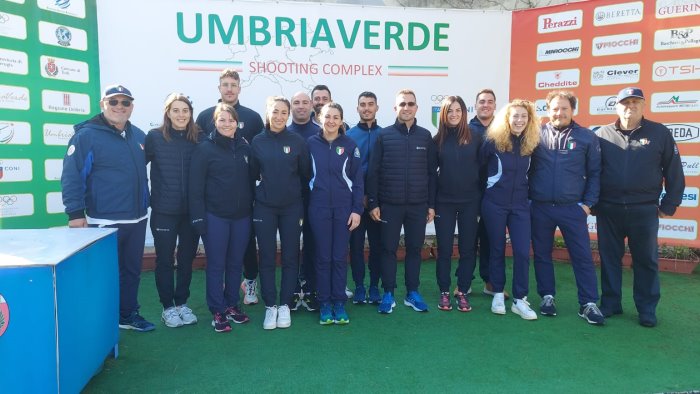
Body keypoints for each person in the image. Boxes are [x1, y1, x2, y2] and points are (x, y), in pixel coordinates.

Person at [61, 84, 154, 332]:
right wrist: (75, 214)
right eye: (114, 102)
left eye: (125, 103)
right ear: (103, 105)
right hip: (103, 220)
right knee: (103, 274)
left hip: (137, 219)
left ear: (131, 108)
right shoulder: (86, 136)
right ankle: (99, 323)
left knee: (132, 271)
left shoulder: (139, 136)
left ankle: (127, 315)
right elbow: (72, 176)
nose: (119, 107)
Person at [594, 87, 684, 328]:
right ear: (616, 106)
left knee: (646, 260)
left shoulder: (659, 133)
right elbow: (592, 172)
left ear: (643, 106)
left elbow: (674, 170)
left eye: (635, 102)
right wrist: (593, 203)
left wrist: (670, 204)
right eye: (625, 102)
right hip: (608, 209)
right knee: (609, 258)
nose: (630, 107)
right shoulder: (602, 134)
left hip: (643, 210)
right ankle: (611, 303)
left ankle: (646, 309)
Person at [529, 90, 605, 325]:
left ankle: (588, 302)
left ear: (573, 110)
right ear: (548, 110)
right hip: (540, 207)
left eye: (564, 108)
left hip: (573, 208)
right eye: (554, 108)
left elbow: (595, 173)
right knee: (541, 254)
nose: (559, 113)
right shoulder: (536, 134)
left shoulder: (586, 137)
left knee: (581, 256)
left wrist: (587, 205)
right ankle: (547, 297)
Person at [195, 68, 264, 306]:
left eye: (233, 85)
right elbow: (199, 170)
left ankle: (243, 290)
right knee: (218, 260)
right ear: (219, 88)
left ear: (239, 88)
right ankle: (219, 305)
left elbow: (258, 161)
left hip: (244, 207)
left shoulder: (253, 120)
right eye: (225, 85)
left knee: (241, 253)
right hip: (216, 209)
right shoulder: (204, 119)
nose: (229, 89)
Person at [367, 89, 438, 314]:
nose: (406, 108)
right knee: (388, 249)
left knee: (414, 249)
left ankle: (412, 292)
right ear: (395, 108)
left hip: (418, 205)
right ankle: (388, 292)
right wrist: (373, 203)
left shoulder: (425, 136)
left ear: (416, 108)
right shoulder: (384, 136)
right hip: (389, 204)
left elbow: (431, 174)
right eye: (402, 104)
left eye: (410, 104)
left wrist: (431, 205)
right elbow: (373, 172)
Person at [189, 103, 253, 333]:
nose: (227, 124)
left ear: (237, 122)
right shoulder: (204, 149)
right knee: (217, 265)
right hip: (215, 216)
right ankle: (217, 309)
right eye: (222, 120)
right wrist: (198, 218)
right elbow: (195, 187)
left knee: (235, 263)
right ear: (214, 123)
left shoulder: (245, 147)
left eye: (231, 120)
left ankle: (231, 304)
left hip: (242, 217)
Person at [250, 96, 311, 330]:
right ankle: (270, 306)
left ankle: (285, 304)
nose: (279, 116)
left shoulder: (297, 141)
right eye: (275, 112)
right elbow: (253, 173)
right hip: (264, 207)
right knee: (266, 256)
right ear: (268, 113)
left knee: (290, 257)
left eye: (283, 112)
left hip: (292, 207)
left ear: (288, 115)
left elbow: (305, 173)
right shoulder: (257, 141)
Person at [145, 93, 204, 328]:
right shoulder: (154, 137)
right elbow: (137, 168)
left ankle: (182, 303)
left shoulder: (199, 138)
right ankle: (167, 307)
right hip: (164, 210)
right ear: (167, 113)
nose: (181, 115)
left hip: (191, 212)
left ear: (191, 114)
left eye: (185, 110)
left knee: (187, 258)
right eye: (176, 110)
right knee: (165, 260)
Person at [479, 99, 539, 320]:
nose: (519, 120)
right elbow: (481, 170)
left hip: (521, 206)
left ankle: (520, 299)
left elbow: (533, 175)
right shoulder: (492, 141)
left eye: (524, 116)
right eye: (515, 115)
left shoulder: (531, 143)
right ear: (507, 118)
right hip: (494, 203)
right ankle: (497, 292)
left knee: (522, 252)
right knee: (496, 249)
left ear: (529, 119)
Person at [307, 102, 363, 324]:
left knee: (339, 257)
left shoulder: (350, 145)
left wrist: (357, 210)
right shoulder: (310, 144)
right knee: (322, 258)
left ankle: (339, 302)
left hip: (343, 209)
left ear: (341, 121)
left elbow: (358, 181)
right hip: (318, 208)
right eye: (327, 116)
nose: (331, 121)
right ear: (320, 118)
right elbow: (303, 178)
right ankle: (324, 304)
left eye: (336, 117)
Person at [433, 96, 482, 312]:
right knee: (444, 249)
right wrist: (431, 204)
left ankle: (462, 290)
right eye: (449, 111)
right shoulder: (437, 141)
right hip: (444, 202)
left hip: (470, 202)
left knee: (467, 249)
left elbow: (484, 172)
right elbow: (430, 176)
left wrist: (480, 203)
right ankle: (444, 291)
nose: (454, 114)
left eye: (457, 110)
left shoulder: (477, 137)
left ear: (464, 113)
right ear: (443, 114)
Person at [346, 91, 383, 304]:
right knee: (356, 247)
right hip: (356, 203)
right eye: (362, 104)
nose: (366, 108)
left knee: (377, 246)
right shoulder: (349, 136)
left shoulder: (385, 135)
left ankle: (375, 287)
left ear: (377, 107)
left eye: (370, 104)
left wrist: (375, 199)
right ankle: (359, 286)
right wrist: (358, 197)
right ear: (357, 108)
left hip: (378, 204)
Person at [288, 91, 322, 312]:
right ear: (291, 106)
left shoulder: (320, 133)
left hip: (314, 201)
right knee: (291, 250)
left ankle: (311, 290)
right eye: (296, 103)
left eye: (304, 102)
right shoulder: (282, 131)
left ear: (312, 106)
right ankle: (290, 292)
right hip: (289, 201)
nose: (300, 106)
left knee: (313, 247)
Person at [469, 89, 503, 298]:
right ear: (476, 105)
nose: (486, 105)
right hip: (471, 193)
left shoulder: (502, 129)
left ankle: (490, 281)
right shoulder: (466, 129)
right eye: (482, 101)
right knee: (468, 239)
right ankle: (465, 281)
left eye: (490, 102)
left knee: (491, 238)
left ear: (494, 106)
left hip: (495, 193)